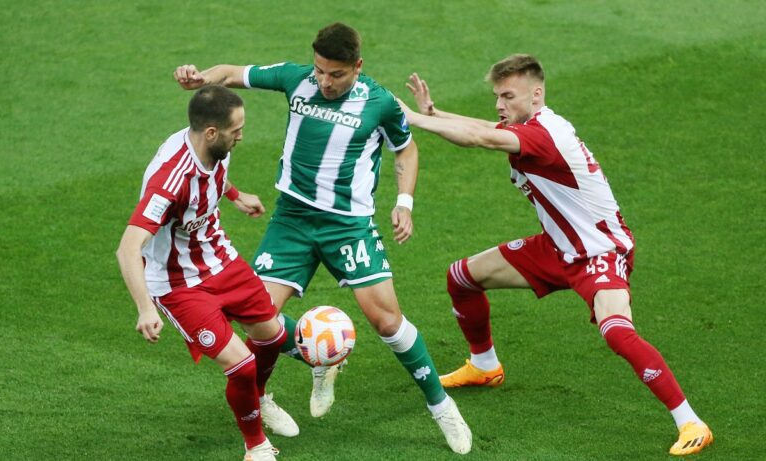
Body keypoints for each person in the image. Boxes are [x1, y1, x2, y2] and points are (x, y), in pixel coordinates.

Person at [172, 22, 472, 454]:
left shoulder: (380, 103)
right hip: (292, 220)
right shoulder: (296, 79)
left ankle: (441, 406)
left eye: (336, 74)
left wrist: (404, 202)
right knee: (260, 318)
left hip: (348, 225)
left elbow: (405, 148)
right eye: (320, 71)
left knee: (388, 321)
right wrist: (201, 77)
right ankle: (277, 386)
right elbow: (232, 73)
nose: (325, 82)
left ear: (357, 66)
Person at [400, 54, 713, 456]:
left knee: (617, 331)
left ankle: (690, 421)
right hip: (557, 247)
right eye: (497, 96)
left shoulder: (545, 135)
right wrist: (435, 113)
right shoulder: (531, 125)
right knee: (462, 276)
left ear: (536, 94)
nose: (499, 104)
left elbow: (482, 138)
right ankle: (484, 365)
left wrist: (415, 119)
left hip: (600, 251)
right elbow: (487, 128)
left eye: (508, 96)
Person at [116, 85, 300, 461]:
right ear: (212, 132)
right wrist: (145, 309)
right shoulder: (169, 181)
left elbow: (214, 175)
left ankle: (259, 399)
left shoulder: (214, 147)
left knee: (271, 336)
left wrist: (235, 195)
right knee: (241, 365)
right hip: (178, 284)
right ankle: (256, 446)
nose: (242, 136)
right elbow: (128, 248)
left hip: (220, 258)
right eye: (237, 130)